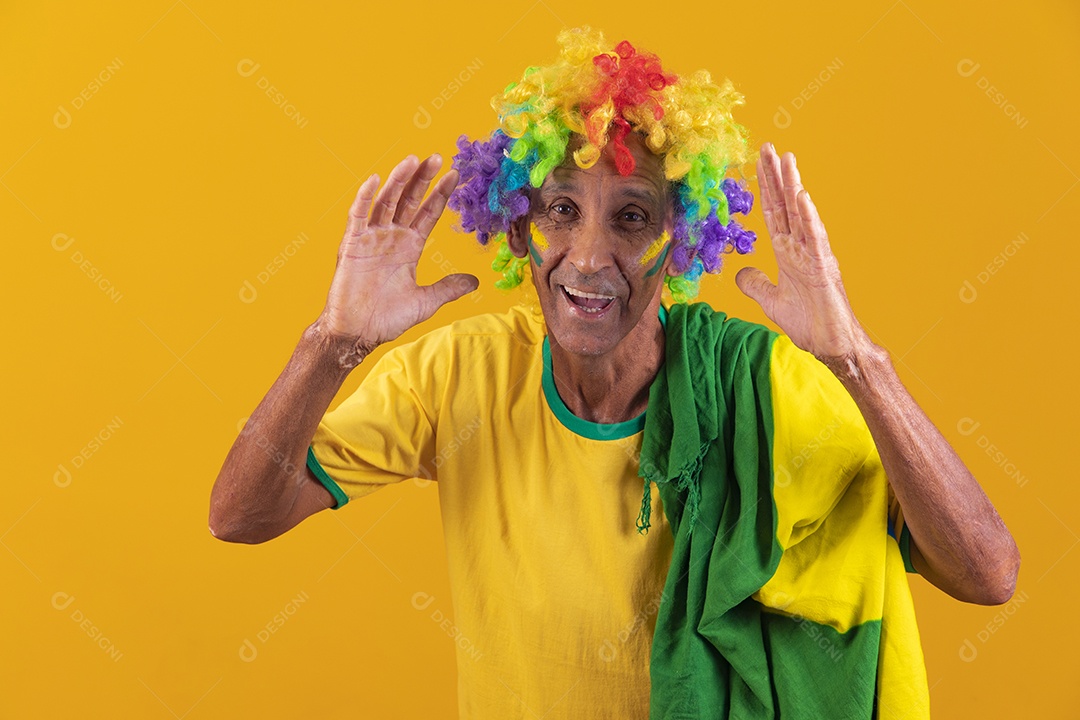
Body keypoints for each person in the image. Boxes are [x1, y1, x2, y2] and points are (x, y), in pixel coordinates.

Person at [210, 27, 1019, 719]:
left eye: (632, 217)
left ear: (681, 243)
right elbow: (240, 516)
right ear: (519, 224)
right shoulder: (459, 374)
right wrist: (332, 342)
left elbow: (986, 574)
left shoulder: (764, 386)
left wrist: (857, 363)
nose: (589, 257)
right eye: (562, 210)